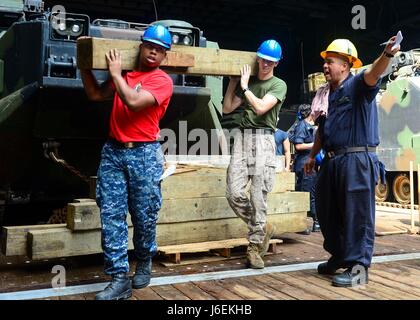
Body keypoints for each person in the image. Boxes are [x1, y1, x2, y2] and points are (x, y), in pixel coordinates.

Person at [80, 24, 174, 300]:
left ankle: (144, 260)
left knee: (144, 215)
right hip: (113, 151)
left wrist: (115, 75)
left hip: (144, 153)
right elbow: (96, 95)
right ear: (141, 47)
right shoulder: (126, 75)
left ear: (164, 56)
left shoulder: (162, 81)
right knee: (111, 215)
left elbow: (133, 101)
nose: (154, 52)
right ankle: (119, 278)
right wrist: (84, 65)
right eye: (150, 46)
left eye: (160, 50)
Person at [304, 37, 400, 287]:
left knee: (357, 215)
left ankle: (358, 268)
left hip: (357, 159)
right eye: (325, 62)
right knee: (327, 211)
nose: (325, 66)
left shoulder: (357, 85)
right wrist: (313, 156)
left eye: (331, 61)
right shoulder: (329, 95)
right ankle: (340, 256)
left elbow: (373, 73)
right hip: (333, 161)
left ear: (345, 65)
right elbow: (322, 130)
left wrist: (387, 55)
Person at [223, 39, 287, 269]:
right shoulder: (247, 83)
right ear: (257, 58)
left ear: (277, 63)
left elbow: (260, 107)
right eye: (263, 59)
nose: (266, 64)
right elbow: (227, 108)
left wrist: (246, 87)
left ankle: (255, 246)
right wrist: (233, 84)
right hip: (242, 137)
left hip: (263, 139)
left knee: (258, 196)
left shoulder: (279, 85)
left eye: (271, 61)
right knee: (233, 192)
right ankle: (262, 227)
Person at [289, 104, 320, 233]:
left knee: (310, 193)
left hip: (308, 164)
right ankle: (303, 224)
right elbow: (299, 146)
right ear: (309, 112)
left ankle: (315, 222)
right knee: (306, 194)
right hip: (304, 165)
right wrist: (315, 145)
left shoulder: (307, 126)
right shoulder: (302, 125)